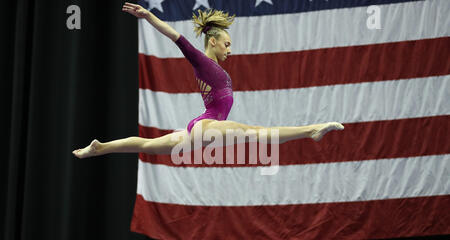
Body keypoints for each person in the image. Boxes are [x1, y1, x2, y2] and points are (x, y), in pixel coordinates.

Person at [72, 2, 344, 159]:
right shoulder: (202, 61)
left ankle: (101, 147)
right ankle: (311, 130)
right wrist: (148, 16)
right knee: (258, 134)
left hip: (200, 129)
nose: (230, 49)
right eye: (226, 43)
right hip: (206, 126)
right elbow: (177, 38)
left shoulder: (212, 67)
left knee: (147, 144)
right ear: (212, 41)